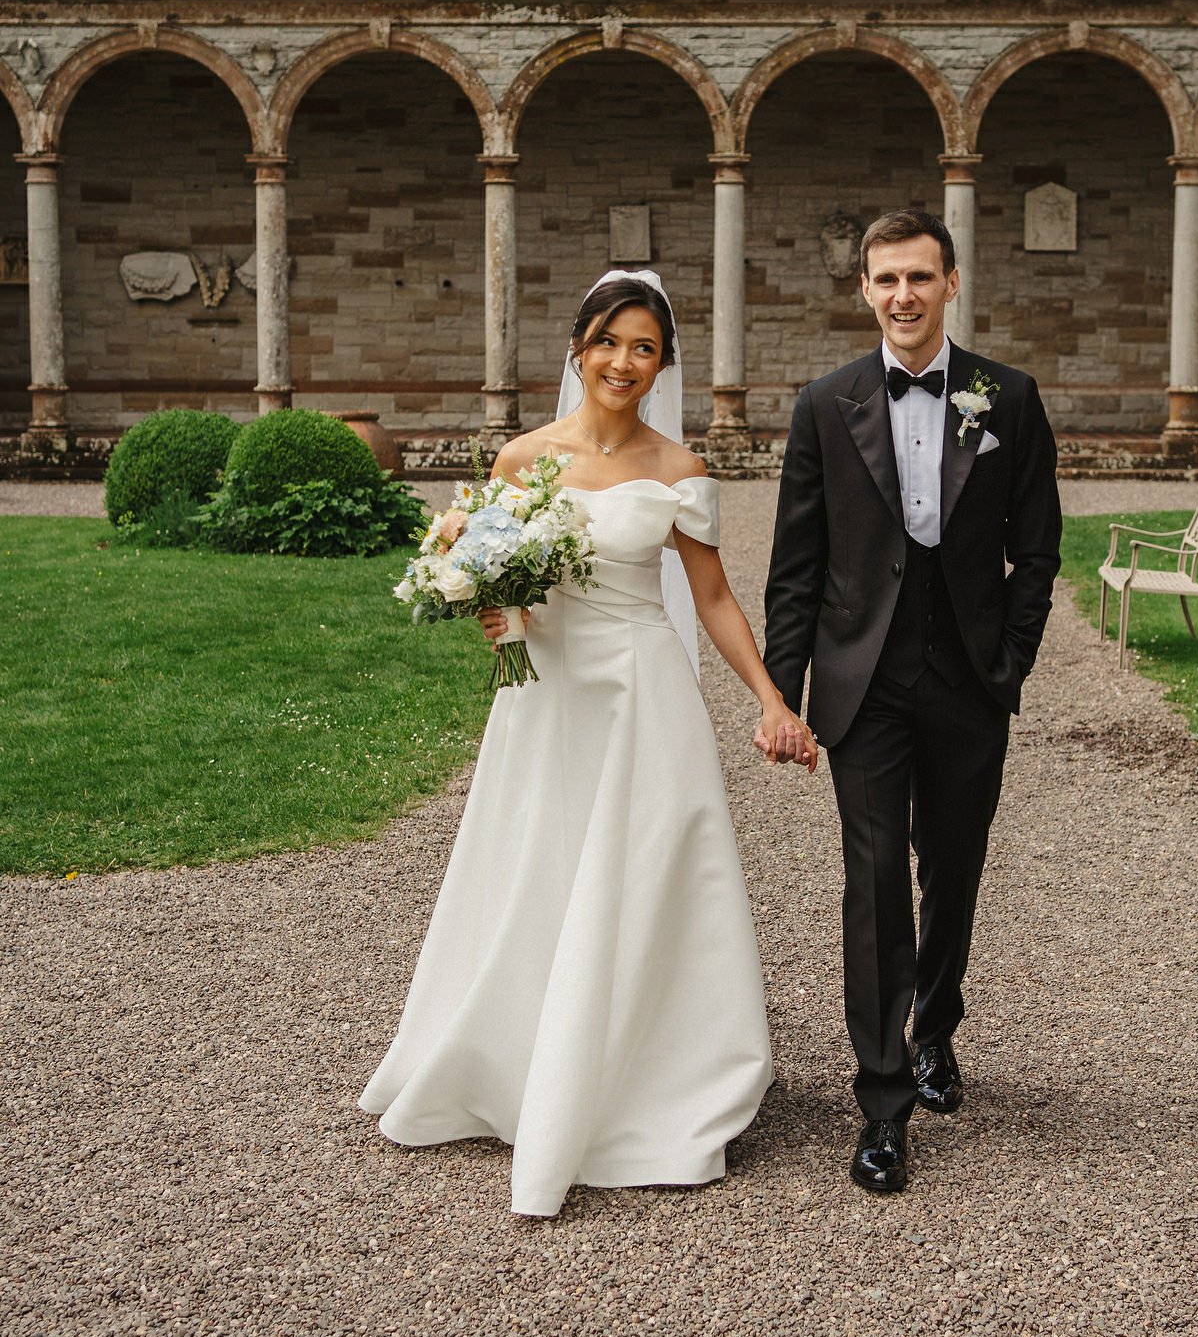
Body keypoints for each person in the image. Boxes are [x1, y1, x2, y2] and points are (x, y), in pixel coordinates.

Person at [361, 270, 815, 1217]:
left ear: (661, 365)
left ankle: (653, 1078)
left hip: (644, 691)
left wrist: (773, 701)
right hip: (549, 697)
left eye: (644, 347)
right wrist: (494, 608)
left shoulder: (681, 471)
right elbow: (492, 572)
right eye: (609, 342)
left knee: (646, 874)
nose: (623, 362)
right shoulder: (523, 459)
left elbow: (715, 600)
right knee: (537, 867)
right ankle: (517, 1061)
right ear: (578, 348)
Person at [761, 209, 1061, 1196]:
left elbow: (1039, 545)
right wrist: (782, 692)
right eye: (885, 280)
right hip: (864, 684)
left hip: (971, 677)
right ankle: (882, 1104)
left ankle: (935, 1031)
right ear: (863, 290)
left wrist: (1012, 660)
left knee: (956, 867)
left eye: (919, 278)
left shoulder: (1004, 398)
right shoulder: (825, 403)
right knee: (877, 876)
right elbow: (795, 566)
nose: (902, 296)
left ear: (952, 283)